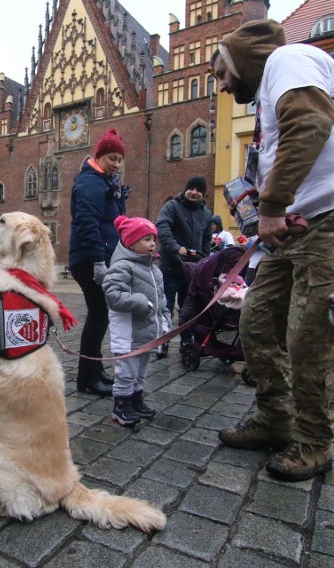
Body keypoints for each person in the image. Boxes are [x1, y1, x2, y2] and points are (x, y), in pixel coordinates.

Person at [211, 20, 334, 481]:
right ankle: (275, 418)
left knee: (309, 338)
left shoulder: (287, 60)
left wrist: (272, 205)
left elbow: (311, 121)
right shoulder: (272, 89)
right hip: (299, 225)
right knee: (256, 322)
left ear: (242, 61)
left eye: (221, 73)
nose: (221, 84)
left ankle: (314, 443)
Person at [68, 128, 129, 396]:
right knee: (98, 315)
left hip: (100, 256)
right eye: (111, 158)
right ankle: (87, 379)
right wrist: (98, 262)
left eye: (119, 159)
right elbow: (88, 223)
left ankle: (94, 371)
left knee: (100, 315)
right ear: (100, 156)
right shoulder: (90, 182)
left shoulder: (104, 182)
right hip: (90, 258)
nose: (116, 164)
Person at [103, 216, 170, 427]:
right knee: (127, 372)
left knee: (140, 372)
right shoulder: (122, 267)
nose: (152, 243)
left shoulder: (154, 270)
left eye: (154, 239)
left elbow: (161, 301)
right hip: (129, 333)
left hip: (147, 332)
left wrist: (165, 320)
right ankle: (121, 406)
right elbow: (112, 294)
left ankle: (136, 400)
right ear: (131, 242)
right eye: (146, 239)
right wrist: (139, 301)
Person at [155, 176, 212, 358]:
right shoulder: (171, 207)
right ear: (185, 189)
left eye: (199, 190)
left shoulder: (206, 214)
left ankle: (187, 341)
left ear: (203, 194)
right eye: (192, 188)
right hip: (171, 267)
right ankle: (162, 342)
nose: (194, 192)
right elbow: (162, 229)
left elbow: (207, 242)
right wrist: (176, 248)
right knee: (166, 307)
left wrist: (204, 261)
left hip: (192, 271)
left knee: (189, 308)